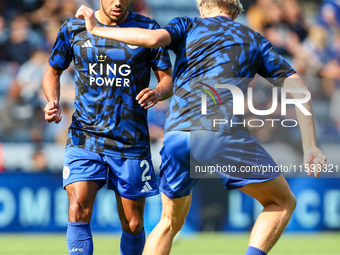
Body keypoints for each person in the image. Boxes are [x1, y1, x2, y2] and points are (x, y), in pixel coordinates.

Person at [75, 0, 327, 254]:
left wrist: (97, 29)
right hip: (220, 134)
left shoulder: (187, 26)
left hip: (176, 136)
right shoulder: (252, 38)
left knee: (168, 222)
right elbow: (299, 90)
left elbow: (152, 39)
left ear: (202, 9)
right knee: (282, 202)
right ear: (236, 12)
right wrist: (310, 145)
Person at [42, 0, 173, 254]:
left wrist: (157, 92)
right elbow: (52, 71)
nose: (118, 2)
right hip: (85, 137)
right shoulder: (74, 28)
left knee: (133, 224)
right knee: (78, 209)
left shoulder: (146, 28)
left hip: (130, 141)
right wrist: (53, 100)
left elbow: (167, 79)